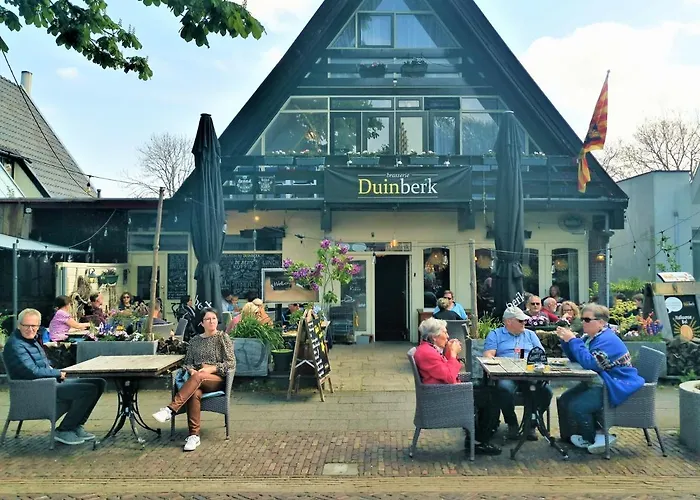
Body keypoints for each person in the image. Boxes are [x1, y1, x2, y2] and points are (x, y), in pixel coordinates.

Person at [3, 308, 106, 446]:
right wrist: (57, 373)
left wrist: (55, 372)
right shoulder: (16, 345)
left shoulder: (30, 340)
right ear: (19, 325)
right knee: (88, 389)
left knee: (98, 383)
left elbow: (43, 366)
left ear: (39, 326)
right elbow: (32, 371)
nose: (30, 329)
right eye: (26, 325)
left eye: (34, 326)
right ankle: (64, 430)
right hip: (36, 390)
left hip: (46, 384)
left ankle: (76, 425)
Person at [555, 303, 645, 454]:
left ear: (601, 322)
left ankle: (593, 437)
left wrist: (573, 341)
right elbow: (576, 357)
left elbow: (591, 364)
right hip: (599, 380)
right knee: (564, 400)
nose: (583, 322)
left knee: (578, 406)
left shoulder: (607, 340)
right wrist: (566, 341)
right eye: (582, 319)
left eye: (587, 320)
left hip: (614, 383)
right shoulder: (591, 337)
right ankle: (574, 435)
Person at [413, 318, 501, 455]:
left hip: (445, 390)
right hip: (442, 396)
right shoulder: (427, 353)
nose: (448, 336)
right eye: (445, 332)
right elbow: (449, 377)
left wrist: (448, 352)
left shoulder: (429, 349)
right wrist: (453, 354)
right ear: (434, 337)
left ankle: (477, 435)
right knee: (492, 397)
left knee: (487, 390)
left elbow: (444, 370)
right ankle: (480, 440)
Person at [152, 307, 236, 452]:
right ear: (201, 323)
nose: (211, 322)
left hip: (216, 379)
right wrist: (191, 370)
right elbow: (187, 363)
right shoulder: (195, 341)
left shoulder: (222, 338)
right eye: (207, 319)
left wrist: (210, 369)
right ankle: (194, 436)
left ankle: (170, 409)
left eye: (214, 318)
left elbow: (231, 363)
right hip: (196, 380)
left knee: (199, 376)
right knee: (194, 393)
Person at [483, 306, 553, 440]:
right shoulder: (496, 334)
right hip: (507, 374)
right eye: (520, 321)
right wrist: (502, 364)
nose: (524, 323)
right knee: (504, 389)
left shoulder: (530, 334)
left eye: (525, 320)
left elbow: (541, 355)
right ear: (508, 321)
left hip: (530, 374)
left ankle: (531, 423)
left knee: (546, 392)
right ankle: (512, 423)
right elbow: (488, 356)